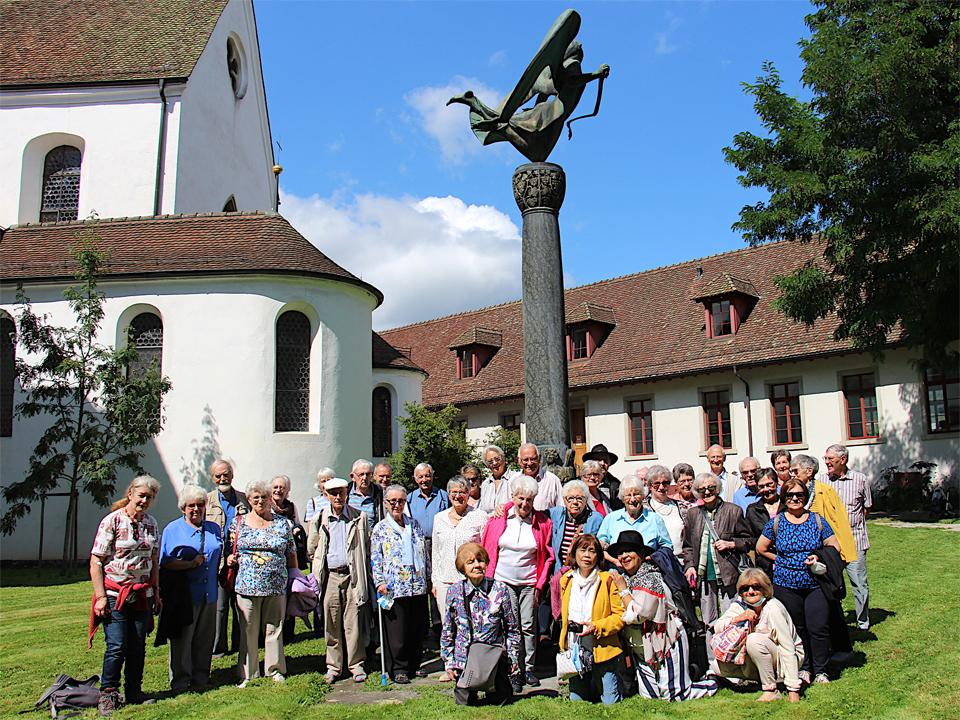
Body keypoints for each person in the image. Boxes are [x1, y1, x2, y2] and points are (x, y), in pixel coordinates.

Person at [609, 530, 717, 702]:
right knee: (650, 698)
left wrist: (622, 591)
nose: (624, 556)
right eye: (620, 552)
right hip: (642, 648)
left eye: (629, 551)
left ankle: (711, 682)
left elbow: (637, 616)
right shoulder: (626, 578)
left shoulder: (650, 578)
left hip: (667, 642)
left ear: (642, 554)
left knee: (674, 696)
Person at [89, 475, 162, 715]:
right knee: (117, 645)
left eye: (149, 498)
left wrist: (156, 593)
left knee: (138, 645)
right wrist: (100, 596)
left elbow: (153, 560)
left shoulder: (151, 523)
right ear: (130, 493)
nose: (144, 501)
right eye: (141, 496)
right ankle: (108, 693)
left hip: (142, 594)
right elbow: (96, 561)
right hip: (114, 593)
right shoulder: (112, 521)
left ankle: (134, 691)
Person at [756, 478, 841, 685]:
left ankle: (821, 670)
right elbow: (761, 548)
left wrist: (818, 558)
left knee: (818, 627)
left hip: (815, 584)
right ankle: (804, 667)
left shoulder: (817, 520)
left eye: (799, 495)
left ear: (805, 497)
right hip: (786, 586)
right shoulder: (777, 522)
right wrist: (782, 560)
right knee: (797, 629)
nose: (795, 499)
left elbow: (835, 546)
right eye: (790, 495)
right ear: (784, 498)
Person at [480, 476, 553, 692]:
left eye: (529, 499)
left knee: (528, 626)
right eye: (521, 498)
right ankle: (513, 670)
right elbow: (488, 547)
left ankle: (528, 668)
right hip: (503, 581)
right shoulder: (499, 519)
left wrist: (540, 583)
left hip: (529, 582)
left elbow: (547, 555)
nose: (525, 503)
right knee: (510, 627)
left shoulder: (542, 523)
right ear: (513, 497)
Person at [227, 479, 296, 686]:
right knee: (248, 629)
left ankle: (274, 669)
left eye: (264, 497)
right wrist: (230, 560)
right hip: (247, 586)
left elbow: (291, 553)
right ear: (248, 500)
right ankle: (248, 673)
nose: (260, 501)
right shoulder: (238, 523)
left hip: (276, 585)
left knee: (274, 628)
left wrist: (293, 575)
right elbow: (231, 550)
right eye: (255, 497)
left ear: (270, 499)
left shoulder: (282, 523)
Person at [159, 484, 222, 693]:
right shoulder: (172, 530)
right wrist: (189, 564)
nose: (196, 509)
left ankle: (201, 677)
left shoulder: (213, 528)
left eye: (200, 505)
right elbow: (165, 563)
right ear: (183, 508)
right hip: (184, 595)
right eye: (191, 506)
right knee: (182, 640)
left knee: (205, 638)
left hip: (210, 593)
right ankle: (180, 681)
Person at [681, 472, 753, 656]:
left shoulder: (733, 510)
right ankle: (714, 663)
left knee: (732, 618)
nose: (707, 492)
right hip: (705, 576)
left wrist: (731, 544)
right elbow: (688, 545)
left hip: (728, 574)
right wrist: (690, 566)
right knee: (709, 621)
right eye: (702, 489)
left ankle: (734, 658)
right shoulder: (693, 514)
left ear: (717, 489)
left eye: (711, 488)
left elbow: (748, 540)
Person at [440, 543, 521, 706]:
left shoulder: (500, 589)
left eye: (480, 560)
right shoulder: (454, 591)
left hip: (494, 656)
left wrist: (512, 657)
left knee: (501, 701)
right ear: (462, 567)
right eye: (470, 562)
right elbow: (448, 630)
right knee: (465, 703)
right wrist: (449, 662)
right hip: (465, 659)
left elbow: (512, 628)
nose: (477, 565)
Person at [309, 477, 370, 684]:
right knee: (331, 622)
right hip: (331, 576)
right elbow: (312, 548)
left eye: (341, 492)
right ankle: (333, 666)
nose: (337, 496)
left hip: (352, 575)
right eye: (333, 493)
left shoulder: (358, 517)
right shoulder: (320, 518)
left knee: (353, 623)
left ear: (347, 493)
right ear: (326, 495)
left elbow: (366, 548)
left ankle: (356, 665)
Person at [713, 568, 803, 702]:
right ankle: (760, 681)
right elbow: (717, 627)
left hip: (785, 659)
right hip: (760, 655)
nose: (750, 592)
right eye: (745, 588)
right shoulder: (740, 605)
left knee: (753, 640)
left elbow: (788, 649)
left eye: (756, 587)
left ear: (765, 589)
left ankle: (771, 690)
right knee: (717, 666)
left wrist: (793, 690)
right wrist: (738, 618)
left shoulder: (773, 609)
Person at [371, 485, 430, 684]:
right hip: (394, 586)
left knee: (416, 627)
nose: (397, 505)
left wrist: (428, 577)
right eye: (393, 501)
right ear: (386, 504)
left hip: (417, 585)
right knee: (398, 632)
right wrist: (379, 581)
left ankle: (415, 663)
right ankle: (399, 668)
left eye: (401, 501)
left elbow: (424, 553)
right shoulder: (380, 528)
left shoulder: (415, 524)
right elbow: (375, 558)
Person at [558, 534, 625, 704]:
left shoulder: (607, 580)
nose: (587, 555)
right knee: (577, 702)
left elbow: (620, 617)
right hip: (576, 648)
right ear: (575, 554)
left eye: (592, 551)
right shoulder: (566, 580)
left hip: (603, 646)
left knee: (610, 702)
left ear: (598, 556)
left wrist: (596, 626)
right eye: (582, 550)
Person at [819, 443, 872, 630]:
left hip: (856, 540)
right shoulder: (822, 481)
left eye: (830, 459)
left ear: (843, 460)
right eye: (825, 458)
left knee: (859, 583)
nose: (826, 462)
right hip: (831, 544)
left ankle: (862, 622)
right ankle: (836, 620)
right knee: (832, 583)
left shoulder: (860, 479)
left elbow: (866, 507)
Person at [205, 459, 247, 657]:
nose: (223, 478)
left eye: (226, 474)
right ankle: (218, 648)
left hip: (241, 561)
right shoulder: (206, 501)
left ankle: (240, 645)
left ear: (232, 474)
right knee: (220, 608)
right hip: (218, 562)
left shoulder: (244, 499)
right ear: (212, 478)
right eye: (218, 475)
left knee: (240, 606)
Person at [432, 476, 489, 616]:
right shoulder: (439, 518)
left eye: (462, 492)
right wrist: (435, 581)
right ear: (448, 494)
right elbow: (436, 552)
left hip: (470, 580)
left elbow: (485, 550)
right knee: (448, 626)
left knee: (470, 623)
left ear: (469, 493)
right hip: (444, 581)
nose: (458, 496)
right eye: (454, 492)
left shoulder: (480, 516)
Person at [790, 454, 858, 564]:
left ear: (809, 472)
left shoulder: (826, 491)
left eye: (796, 471)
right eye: (791, 472)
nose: (792, 475)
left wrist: (843, 551)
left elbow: (841, 522)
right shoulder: (790, 494)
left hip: (824, 548)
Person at [406, 462, 449, 633]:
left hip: (438, 544)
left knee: (437, 583)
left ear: (432, 476)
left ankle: (439, 625)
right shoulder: (410, 498)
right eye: (421, 476)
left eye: (427, 475)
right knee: (421, 584)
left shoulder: (443, 496)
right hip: (418, 545)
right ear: (415, 479)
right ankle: (422, 627)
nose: (424, 480)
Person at [597, 474, 672, 565]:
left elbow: (667, 546)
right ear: (622, 498)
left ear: (643, 496)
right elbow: (599, 547)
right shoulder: (611, 519)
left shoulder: (654, 519)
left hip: (648, 571)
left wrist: (652, 558)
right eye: (628, 495)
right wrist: (615, 561)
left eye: (636, 494)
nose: (632, 499)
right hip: (616, 571)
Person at [644, 464, 687, 558]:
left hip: (681, 561)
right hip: (657, 562)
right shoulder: (644, 509)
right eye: (656, 484)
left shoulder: (681, 506)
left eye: (665, 483)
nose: (661, 487)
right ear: (650, 486)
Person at [506, 443, 563, 511]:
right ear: (519, 461)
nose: (529, 463)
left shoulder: (552, 480)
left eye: (533, 459)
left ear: (539, 459)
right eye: (526, 460)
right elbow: (507, 506)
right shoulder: (513, 481)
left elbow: (561, 508)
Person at [745, 469, 780, 577]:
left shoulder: (788, 506)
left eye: (770, 484)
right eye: (761, 486)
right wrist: (765, 542)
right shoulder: (753, 510)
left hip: (787, 563)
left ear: (776, 483)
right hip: (764, 566)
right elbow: (749, 538)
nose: (766, 489)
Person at [582, 444, 622, 510]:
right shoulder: (580, 482)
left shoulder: (616, 485)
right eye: (599, 459)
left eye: (606, 461)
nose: (602, 463)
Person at [348, 459, 384, 527]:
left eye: (368, 474)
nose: (364, 478)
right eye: (361, 474)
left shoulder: (379, 493)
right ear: (352, 477)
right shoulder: (345, 493)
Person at [479, 444, 513, 513]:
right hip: (489, 522)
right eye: (490, 462)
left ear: (503, 458)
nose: (494, 463)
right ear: (487, 465)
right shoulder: (485, 484)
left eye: (497, 459)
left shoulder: (515, 478)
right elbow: (482, 510)